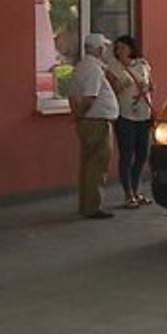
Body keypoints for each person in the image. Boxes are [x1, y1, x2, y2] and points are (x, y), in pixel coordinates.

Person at [68, 33, 119, 220]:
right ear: (99, 49)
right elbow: (90, 97)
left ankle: (85, 204)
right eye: (104, 48)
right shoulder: (94, 70)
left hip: (88, 122)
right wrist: (80, 114)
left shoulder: (80, 67)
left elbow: (72, 95)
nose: (106, 51)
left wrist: (77, 115)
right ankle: (93, 206)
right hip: (97, 122)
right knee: (97, 165)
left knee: (87, 164)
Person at [107, 35, 153, 209]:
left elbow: (151, 85)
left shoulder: (143, 64)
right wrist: (123, 83)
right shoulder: (113, 67)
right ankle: (128, 194)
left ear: (131, 48)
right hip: (125, 115)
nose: (119, 51)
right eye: (117, 48)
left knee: (142, 154)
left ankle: (136, 190)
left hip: (143, 114)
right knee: (127, 154)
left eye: (123, 48)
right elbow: (112, 90)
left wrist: (147, 88)